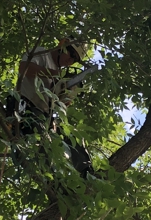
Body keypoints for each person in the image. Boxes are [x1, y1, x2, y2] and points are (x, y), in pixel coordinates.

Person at [7, 36, 93, 178]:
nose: (70, 61)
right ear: (63, 45)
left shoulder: (61, 74)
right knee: (45, 143)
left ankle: (87, 174)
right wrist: (53, 74)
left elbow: (55, 100)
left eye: (75, 60)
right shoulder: (42, 53)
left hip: (44, 116)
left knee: (71, 136)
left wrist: (65, 98)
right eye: (71, 54)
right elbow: (24, 68)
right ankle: (53, 181)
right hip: (24, 108)